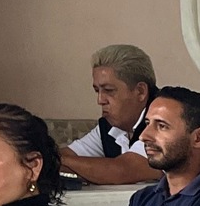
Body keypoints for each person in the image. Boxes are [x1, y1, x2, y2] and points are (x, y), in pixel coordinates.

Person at [60, 44, 157, 184]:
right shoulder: (110, 125)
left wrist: (59, 160)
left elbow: (122, 171)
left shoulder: (163, 122)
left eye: (109, 90)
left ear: (140, 91)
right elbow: (69, 156)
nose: (100, 100)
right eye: (97, 91)